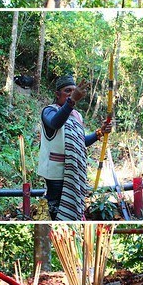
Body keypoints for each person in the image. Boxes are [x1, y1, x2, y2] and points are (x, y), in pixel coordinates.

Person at [37, 75, 112, 220]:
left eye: (74, 90)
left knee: (71, 210)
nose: (71, 93)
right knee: (55, 209)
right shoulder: (49, 111)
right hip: (56, 171)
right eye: (67, 91)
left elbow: (81, 141)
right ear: (57, 94)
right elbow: (55, 123)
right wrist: (72, 101)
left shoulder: (76, 115)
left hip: (74, 171)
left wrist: (100, 132)